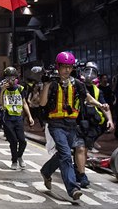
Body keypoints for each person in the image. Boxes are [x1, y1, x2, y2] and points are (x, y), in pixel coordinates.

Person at [39, 52, 109, 200]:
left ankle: (46, 171)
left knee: (62, 154)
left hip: (71, 125)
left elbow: (87, 98)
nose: (66, 70)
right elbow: (43, 103)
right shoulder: (51, 83)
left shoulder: (77, 84)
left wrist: (100, 105)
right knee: (65, 154)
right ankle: (72, 189)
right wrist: (45, 85)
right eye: (63, 67)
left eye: (69, 67)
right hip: (55, 124)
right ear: (58, 67)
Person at [73, 62, 114, 187]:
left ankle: (78, 169)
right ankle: (82, 175)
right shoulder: (75, 86)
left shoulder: (97, 91)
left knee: (84, 150)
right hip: (76, 123)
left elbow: (104, 107)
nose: (89, 75)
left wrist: (110, 120)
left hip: (91, 126)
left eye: (93, 72)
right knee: (81, 148)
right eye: (87, 71)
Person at [0, 67, 34, 170]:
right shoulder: (3, 89)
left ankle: (19, 156)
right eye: (8, 78)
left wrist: (30, 116)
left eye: (13, 77)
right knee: (13, 141)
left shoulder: (20, 88)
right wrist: (2, 90)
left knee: (22, 141)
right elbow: (0, 103)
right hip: (7, 118)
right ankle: (14, 160)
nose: (11, 80)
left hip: (18, 118)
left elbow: (24, 103)